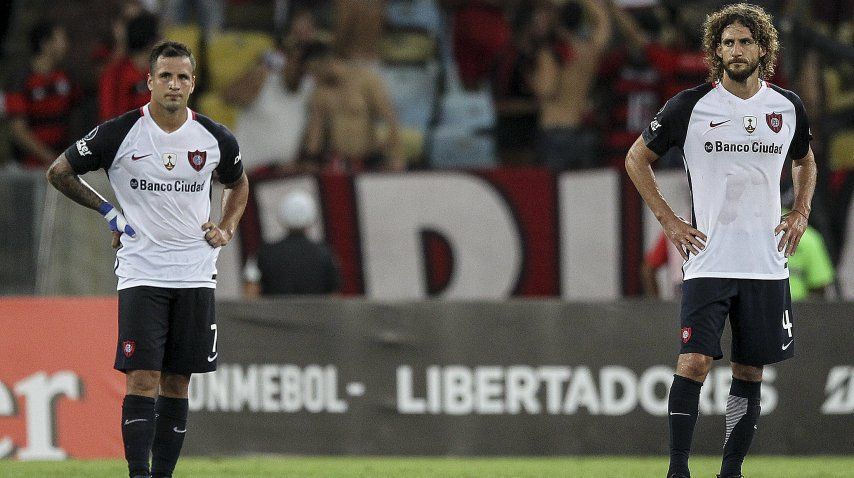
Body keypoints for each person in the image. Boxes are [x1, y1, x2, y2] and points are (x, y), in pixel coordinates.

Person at [624, 4, 816, 478]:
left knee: (749, 373)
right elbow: (635, 159)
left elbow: (805, 161)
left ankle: (730, 472)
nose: (735, 50)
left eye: (744, 42)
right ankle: (677, 470)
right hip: (708, 261)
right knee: (692, 363)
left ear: (763, 48)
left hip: (765, 265)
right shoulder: (691, 106)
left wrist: (801, 211)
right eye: (727, 43)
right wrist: (670, 222)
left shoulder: (786, 106)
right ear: (716, 51)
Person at [45, 41, 248, 478]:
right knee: (141, 378)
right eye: (165, 76)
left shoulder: (214, 137)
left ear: (193, 84)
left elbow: (238, 182)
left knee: (177, 381)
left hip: (196, 274)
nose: (173, 84)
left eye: (182, 77)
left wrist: (226, 227)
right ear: (150, 81)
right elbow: (59, 172)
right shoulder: (120, 133)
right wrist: (108, 211)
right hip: (142, 272)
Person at [302, 41, 406, 172]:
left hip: (369, 159)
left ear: (324, 63)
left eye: (314, 72)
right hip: (339, 162)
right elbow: (315, 130)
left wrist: (396, 156)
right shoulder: (321, 92)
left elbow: (390, 119)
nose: (314, 78)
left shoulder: (366, 79)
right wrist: (310, 160)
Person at [5, 20, 79, 169]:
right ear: (46, 44)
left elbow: (76, 117)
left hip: (61, 165)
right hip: (27, 169)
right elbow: (18, 130)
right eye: (61, 39)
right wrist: (50, 158)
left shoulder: (66, 77)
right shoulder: (21, 80)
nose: (66, 44)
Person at [244, 190, 341, 296]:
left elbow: (250, 294)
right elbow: (334, 297)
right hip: (314, 313)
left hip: (275, 313)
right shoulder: (325, 255)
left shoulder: (262, 254)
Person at [99, 11, 160, 122]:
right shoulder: (115, 75)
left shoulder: (161, 73)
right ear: (151, 41)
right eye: (159, 36)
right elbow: (109, 117)